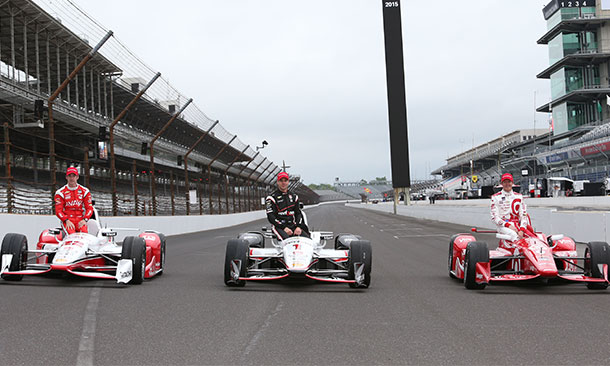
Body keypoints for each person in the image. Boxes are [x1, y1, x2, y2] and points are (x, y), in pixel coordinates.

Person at [265, 171, 309, 240]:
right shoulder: (271, 198)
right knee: (288, 241)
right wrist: (284, 228)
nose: (283, 183)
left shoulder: (294, 197)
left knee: (307, 240)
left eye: (285, 180)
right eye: (281, 181)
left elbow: (298, 213)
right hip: (279, 227)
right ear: (278, 182)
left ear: (288, 182)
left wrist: (298, 227)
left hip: (293, 226)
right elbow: (271, 217)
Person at [490, 173, 528, 247]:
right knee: (513, 234)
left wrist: (522, 229)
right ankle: (518, 253)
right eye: (505, 182)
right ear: (502, 184)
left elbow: (523, 215)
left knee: (530, 236)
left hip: (518, 225)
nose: (507, 184)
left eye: (509, 182)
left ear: (512, 183)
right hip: (503, 225)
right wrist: (508, 225)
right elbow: (494, 217)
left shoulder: (519, 196)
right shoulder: (496, 197)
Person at [54, 167, 94, 234]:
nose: (71, 178)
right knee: (72, 236)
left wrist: (85, 220)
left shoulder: (85, 191)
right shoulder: (60, 192)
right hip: (68, 221)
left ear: (77, 177)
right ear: (66, 177)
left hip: (80, 220)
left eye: (74, 176)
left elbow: (89, 208)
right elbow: (58, 211)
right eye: (70, 176)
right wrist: (66, 220)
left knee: (84, 235)